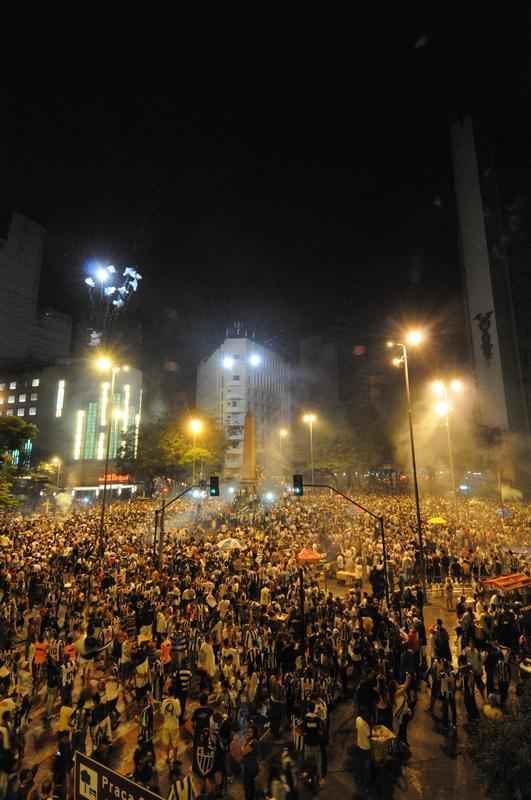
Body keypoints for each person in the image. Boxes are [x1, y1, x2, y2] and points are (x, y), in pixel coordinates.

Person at [241, 725, 259, 800]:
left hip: (250, 766)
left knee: (248, 785)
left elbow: (244, 752)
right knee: (250, 785)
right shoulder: (250, 741)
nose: (248, 733)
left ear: (254, 733)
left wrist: (243, 744)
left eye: (251, 732)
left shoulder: (253, 742)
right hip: (249, 765)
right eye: (248, 731)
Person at [355, 710, 372, 790]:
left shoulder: (358, 719)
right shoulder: (365, 725)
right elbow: (369, 736)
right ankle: (366, 785)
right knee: (367, 767)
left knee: (360, 764)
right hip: (366, 747)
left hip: (359, 745)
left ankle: (359, 779)